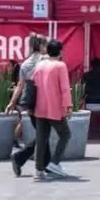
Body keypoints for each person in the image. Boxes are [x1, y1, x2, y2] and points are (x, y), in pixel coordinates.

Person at [30, 39, 73, 179]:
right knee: (65, 134)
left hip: (40, 107)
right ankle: (54, 162)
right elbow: (65, 88)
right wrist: (68, 106)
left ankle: (39, 169)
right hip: (54, 107)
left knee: (41, 138)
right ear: (60, 51)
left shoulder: (40, 65)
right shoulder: (60, 66)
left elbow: (33, 83)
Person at [7, 34, 48, 176]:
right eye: (45, 44)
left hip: (31, 103)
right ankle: (21, 158)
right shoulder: (45, 60)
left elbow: (20, 85)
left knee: (43, 133)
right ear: (42, 45)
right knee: (44, 134)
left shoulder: (25, 63)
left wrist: (12, 102)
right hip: (44, 102)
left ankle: (44, 163)